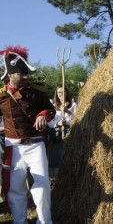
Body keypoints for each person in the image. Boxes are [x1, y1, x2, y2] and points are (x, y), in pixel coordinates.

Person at [0, 46, 55, 223]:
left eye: (26, 73)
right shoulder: (1, 96)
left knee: (42, 184)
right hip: (13, 147)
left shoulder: (38, 91)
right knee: (16, 188)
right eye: (20, 74)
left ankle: (44, 221)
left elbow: (50, 109)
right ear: (10, 74)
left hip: (35, 144)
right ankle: (19, 221)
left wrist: (43, 115)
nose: (25, 77)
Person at [47, 86, 77, 178]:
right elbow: (49, 122)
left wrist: (67, 111)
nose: (61, 94)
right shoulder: (52, 105)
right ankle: (55, 180)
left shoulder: (73, 104)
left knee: (67, 157)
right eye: (59, 92)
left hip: (69, 133)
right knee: (56, 158)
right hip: (56, 135)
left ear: (66, 92)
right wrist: (57, 123)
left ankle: (67, 179)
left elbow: (77, 119)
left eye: (63, 92)